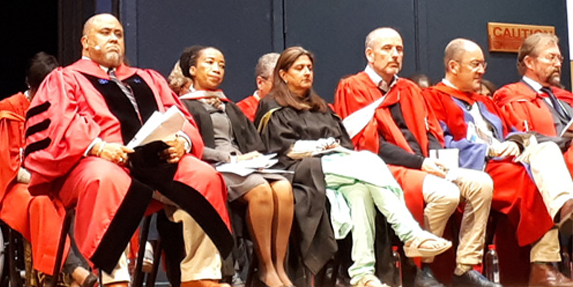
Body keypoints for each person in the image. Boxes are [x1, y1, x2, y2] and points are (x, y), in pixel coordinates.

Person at [23, 13, 232, 287]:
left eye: (118, 34)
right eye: (105, 33)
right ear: (85, 42)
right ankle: (113, 279)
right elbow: (58, 126)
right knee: (107, 177)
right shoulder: (65, 79)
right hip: (94, 163)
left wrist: (183, 141)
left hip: (154, 162)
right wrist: (99, 147)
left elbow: (180, 116)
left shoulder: (148, 78)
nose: (113, 39)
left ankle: (201, 276)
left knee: (203, 175)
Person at [256, 46, 452, 287]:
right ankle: (409, 233)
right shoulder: (271, 105)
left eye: (309, 68)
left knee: (360, 191)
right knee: (370, 161)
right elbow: (282, 149)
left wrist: (332, 147)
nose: (307, 72)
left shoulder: (320, 107)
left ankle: (362, 273)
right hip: (300, 170)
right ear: (283, 75)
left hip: (335, 165)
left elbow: (344, 143)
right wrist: (321, 146)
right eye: (299, 68)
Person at [334, 28, 496, 287]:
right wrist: (421, 163)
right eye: (387, 49)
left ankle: (465, 266)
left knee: (482, 184)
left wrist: (437, 159)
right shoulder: (353, 88)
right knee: (447, 194)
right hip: (385, 169)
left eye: (399, 49)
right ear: (370, 54)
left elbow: (429, 129)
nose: (395, 54)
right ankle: (423, 267)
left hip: (423, 165)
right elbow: (369, 145)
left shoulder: (408, 88)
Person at [422, 38, 573, 286]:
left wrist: (515, 142)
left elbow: (511, 130)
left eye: (483, 64)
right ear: (453, 66)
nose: (482, 70)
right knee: (529, 180)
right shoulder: (433, 99)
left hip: (505, 158)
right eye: (475, 64)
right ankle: (542, 265)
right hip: (476, 164)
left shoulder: (485, 100)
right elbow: (440, 143)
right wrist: (488, 150)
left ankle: (565, 207)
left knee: (546, 149)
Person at [0, 52, 93, 286]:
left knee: (85, 196)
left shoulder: (61, 111)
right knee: (41, 202)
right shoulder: (7, 111)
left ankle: (94, 269)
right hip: (11, 188)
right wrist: (44, 179)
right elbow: (6, 167)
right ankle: (68, 271)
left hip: (49, 183)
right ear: (31, 85)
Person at [178, 45, 294, 287]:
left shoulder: (227, 104)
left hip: (240, 166)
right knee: (260, 190)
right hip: (213, 167)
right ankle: (266, 268)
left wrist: (252, 157)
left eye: (221, 65)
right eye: (209, 63)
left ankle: (279, 266)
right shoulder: (183, 105)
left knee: (283, 187)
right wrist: (229, 158)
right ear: (192, 70)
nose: (216, 69)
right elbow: (190, 145)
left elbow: (250, 140)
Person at [493, 33, 573, 176]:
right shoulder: (512, 96)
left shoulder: (563, 98)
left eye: (559, 58)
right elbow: (520, 137)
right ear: (529, 62)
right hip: (547, 163)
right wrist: (566, 143)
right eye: (551, 58)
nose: (558, 64)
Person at [237, 52, 280, 121]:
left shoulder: (291, 109)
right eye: (277, 82)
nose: (282, 87)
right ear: (260, 82)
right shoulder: (240, 112)